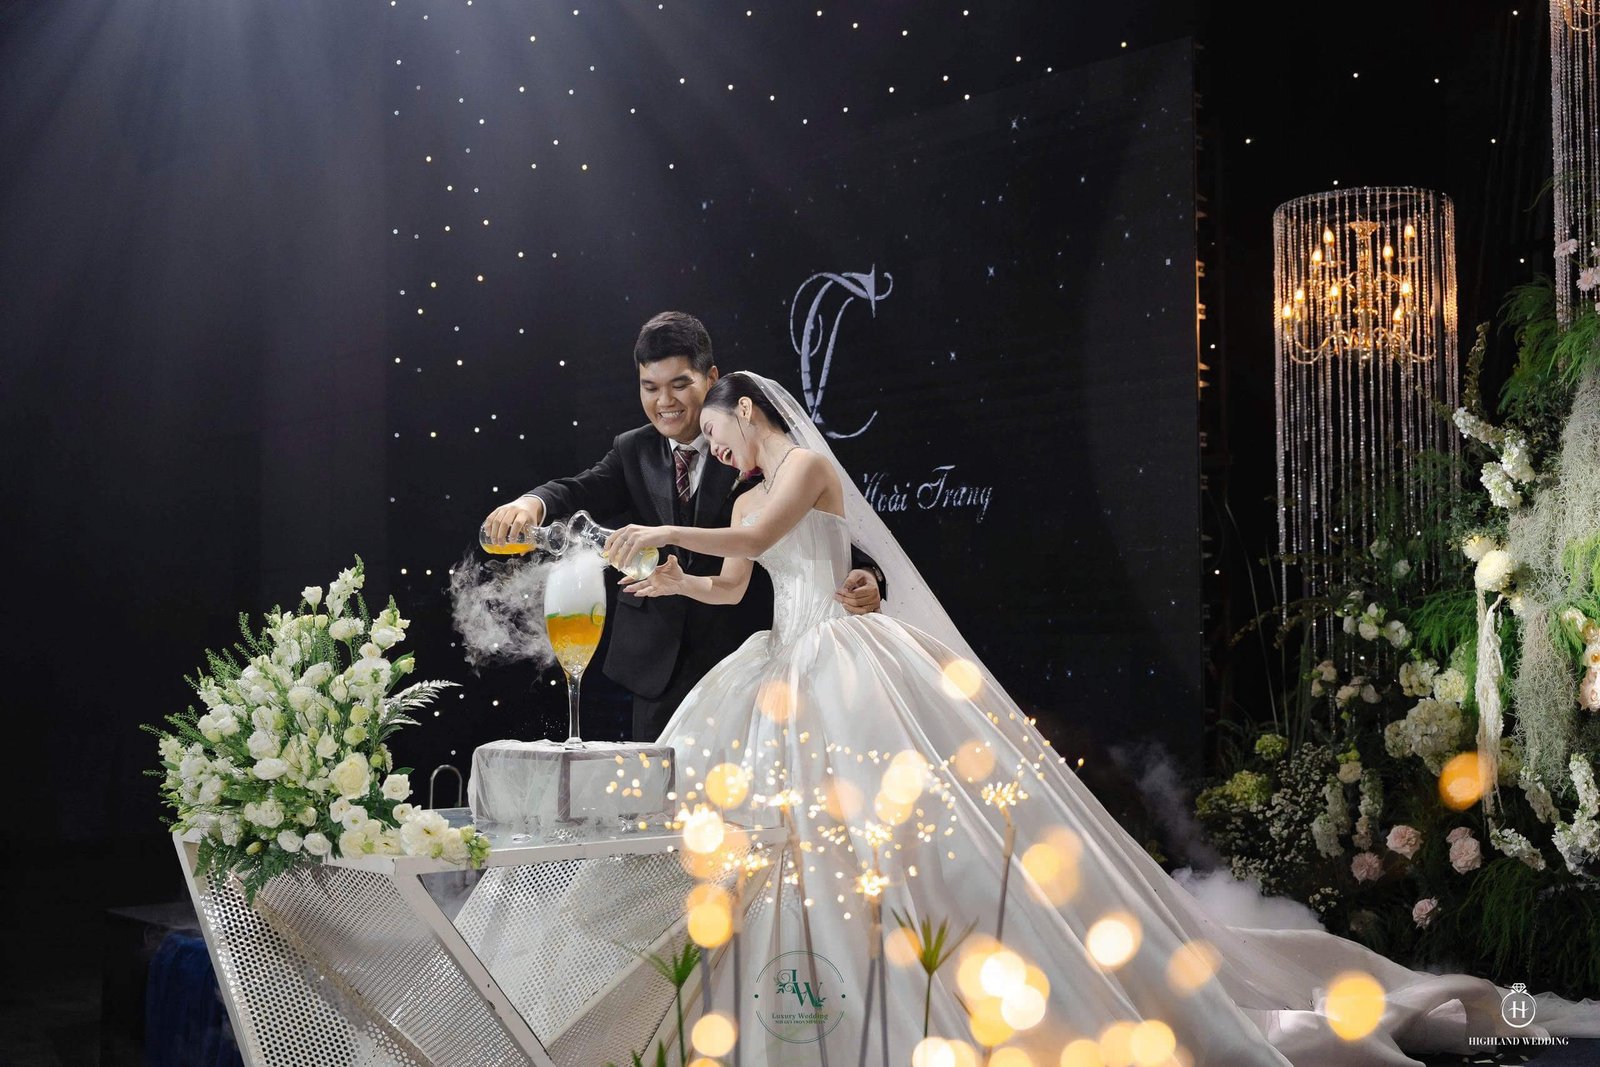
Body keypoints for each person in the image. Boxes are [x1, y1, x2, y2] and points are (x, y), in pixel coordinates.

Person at [595, 370, 1600, 1065]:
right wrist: (675, 577)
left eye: (715, 432)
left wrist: (659, 528)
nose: (711, 448)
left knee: (901, 832)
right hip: (787, 659)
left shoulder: (803, 471)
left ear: (744, 408)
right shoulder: (743, 496)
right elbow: (737, 582)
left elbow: (765, 538)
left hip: (841, 662)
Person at [481, 312, 886, 740]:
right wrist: (530, 503)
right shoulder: (633, 449)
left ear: (710, 378)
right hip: (656, 667)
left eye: (678, 385)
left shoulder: (754, 450)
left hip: (748, 654)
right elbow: (579, 489)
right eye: (650, 387)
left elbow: (813, 528)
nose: (664, 401)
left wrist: (868, 574)